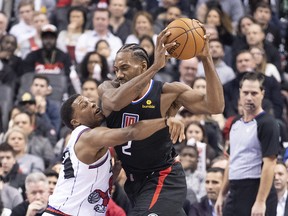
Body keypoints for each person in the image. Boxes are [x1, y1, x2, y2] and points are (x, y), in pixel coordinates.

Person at [98, 26, 224, 215]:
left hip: (163, 177)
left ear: (142, 67)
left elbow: (215, 107)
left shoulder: (168, 92)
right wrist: (156, 67)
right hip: (134, 183)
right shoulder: (108, 88)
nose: (119, 74)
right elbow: (115, 103)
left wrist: (206, 59)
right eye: (116, 69)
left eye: (124, 68)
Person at [44, 94, 185, 215]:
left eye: (90, 101)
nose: (92, 104)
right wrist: (165, 121)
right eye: (84, 105)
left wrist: (112, 174)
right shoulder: (88, 136)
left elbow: (88, 181)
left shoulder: (87, 141)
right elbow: (131, 132)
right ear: (75, 121)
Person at [215, 72, 279, 216]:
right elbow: (232, 160)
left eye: (254, 93)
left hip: (257, 189)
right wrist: (221, 195)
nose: (249, 97)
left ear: (262, 93)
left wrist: (261, 201)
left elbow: (270, 163)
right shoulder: (235, 123)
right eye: (246, 92)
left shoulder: (268, 123)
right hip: (235, 189)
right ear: (239, 93)